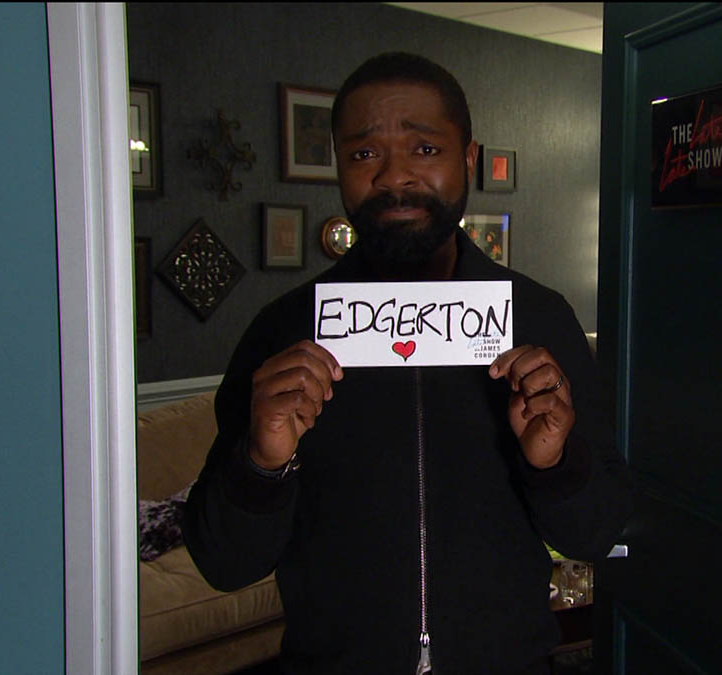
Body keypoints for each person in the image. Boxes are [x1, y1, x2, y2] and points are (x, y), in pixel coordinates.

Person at [182, 52, 631, 675]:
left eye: (425, 149)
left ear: (468, 159)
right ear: (338, 165)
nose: (395, 176)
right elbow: (223, 563)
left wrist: (554, 463)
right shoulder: (282, 334)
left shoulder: (540, 319)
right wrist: (262, 462)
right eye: (365, 153)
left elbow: (598, 534)